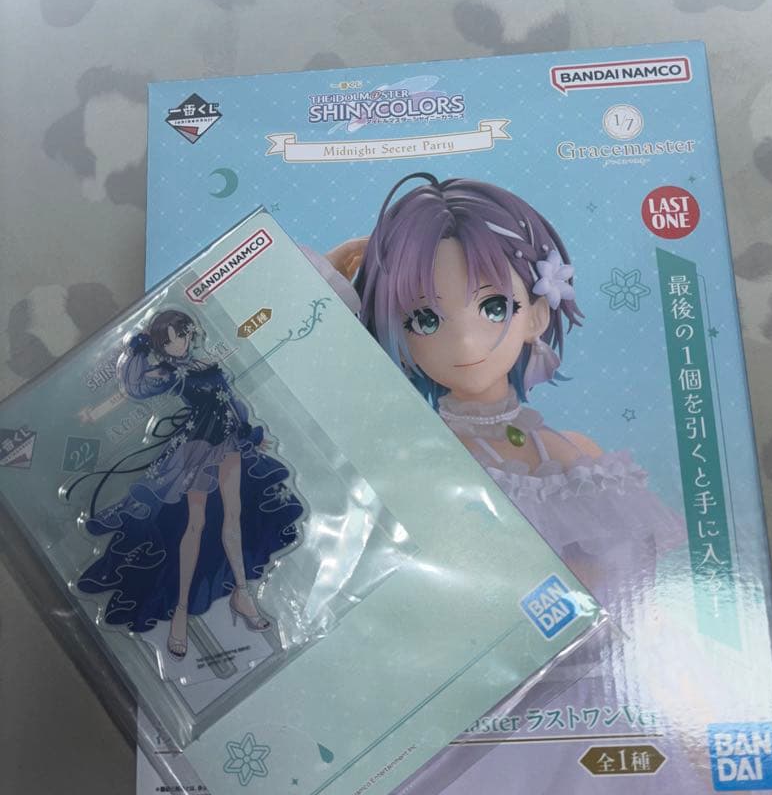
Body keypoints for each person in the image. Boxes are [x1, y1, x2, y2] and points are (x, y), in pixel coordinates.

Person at [334, 173, 685, 615]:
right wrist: (330, 275)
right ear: (395, 332)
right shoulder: (427, 465)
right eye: (425, 319)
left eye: (494, 307)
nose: (465, 342)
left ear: (536, 315)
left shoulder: (583, 457)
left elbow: (640, 590)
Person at [69, 309, 305, 661]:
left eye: (182, 335)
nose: (180, 343)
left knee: (233, 518)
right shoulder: (169, 373)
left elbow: (231, 399)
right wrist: (135, 351)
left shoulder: (206, 364)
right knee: (195, 526)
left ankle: (242, 593)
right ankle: (180, 612)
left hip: (229, 442)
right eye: (171, 340)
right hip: (197, 449)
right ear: (161, 346)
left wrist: (248, 431)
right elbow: (134, 388)